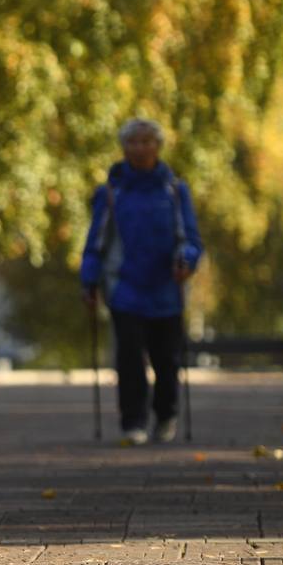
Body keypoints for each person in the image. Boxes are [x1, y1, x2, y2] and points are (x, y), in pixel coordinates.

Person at [81, 117, 202, 445]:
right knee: (130, 357)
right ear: (124, 148)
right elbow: (96, 243)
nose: (140, 148)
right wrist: (89, 280)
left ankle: (166, 413)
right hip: (125, 288)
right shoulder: (110, 193)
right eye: (133, 142)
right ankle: (133, 420)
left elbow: (190, 237)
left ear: (158, 146)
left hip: (167, 287)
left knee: (167, 359)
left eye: (147, 141)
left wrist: (187, 260)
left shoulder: (175, 191)